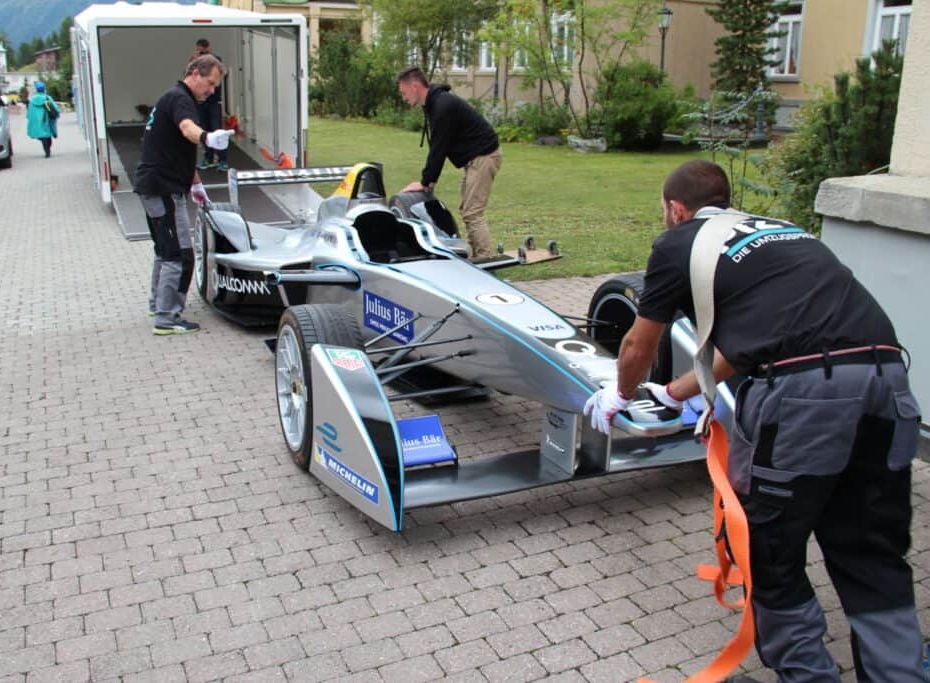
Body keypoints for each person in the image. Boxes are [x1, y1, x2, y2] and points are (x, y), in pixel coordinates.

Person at [584, 160, 925, 682]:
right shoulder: (784, 233)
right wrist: (676, 394)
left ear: (676, 209)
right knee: (871, 550)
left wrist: (620, 391)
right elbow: (751, 344)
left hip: (806, 400)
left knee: (766, 547)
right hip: (886, 379)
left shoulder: (679, 243)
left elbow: (638, 342)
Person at [133, 53, 234, 335]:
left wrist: (197, 184)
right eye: (211, 84)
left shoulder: (175, 97)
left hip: (155, 185)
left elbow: (181, 151)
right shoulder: (180, 99)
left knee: (163, 251)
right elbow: (188, 130)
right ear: (195, 74)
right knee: (180, 255)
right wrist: (208, 137)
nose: (212, 90)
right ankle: (167, 318)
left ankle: (158, 305)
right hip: (162, 188)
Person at [396, 67, 502, 260]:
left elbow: (439, 147)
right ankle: (476, 256)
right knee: (468, 210)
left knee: (472, 212)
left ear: (415, 86)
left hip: (484, 157)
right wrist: (430, 181)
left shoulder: (442, 105)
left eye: (404, 92)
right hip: (476, 159)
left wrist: (425, 181)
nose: (403, 98)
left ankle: (486, 261)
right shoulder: (435, 103)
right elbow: (440, 145)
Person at [193, 38, 227, 173]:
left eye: (202, 49)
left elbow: (218, 68)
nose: (201, 52)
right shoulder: (196, 62)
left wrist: (207, 55)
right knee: (205, 131)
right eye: (199, 50)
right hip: (202, 101)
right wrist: (194, 59)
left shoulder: (216, 59)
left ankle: (223, 160)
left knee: (217, 130)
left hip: (214, 102)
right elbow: (189, 72)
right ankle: (208, 158)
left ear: (207, 48)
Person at [26, 81, 58, 158]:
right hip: (47, 119)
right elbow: (55, 108)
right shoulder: (47, 98)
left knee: (42, 135)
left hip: (38, 121)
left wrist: (31, 119)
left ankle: (47, 150)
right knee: (47, 135)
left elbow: (29, 112)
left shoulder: (32, 100)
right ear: (44, 89)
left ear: (36, 90)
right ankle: (48, 150)